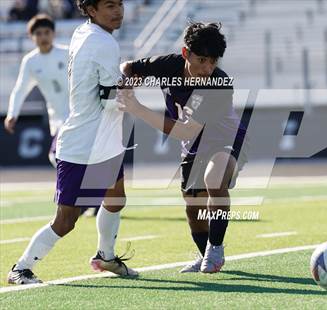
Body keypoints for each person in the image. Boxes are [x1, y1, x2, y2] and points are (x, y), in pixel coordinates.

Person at [7, 0, 137, 285]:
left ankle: (106, 255)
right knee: (66, 220)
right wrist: (131, 84)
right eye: (109, 5)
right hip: (83, 143)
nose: (118, 11)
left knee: (115, 196)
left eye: (120, 4)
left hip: (100, 139)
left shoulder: (84, 32)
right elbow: (110, 99)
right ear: (91, 10)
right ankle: (21, 267)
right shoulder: (103, 43)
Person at [119, 22, 247, 273]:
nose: (208, 68)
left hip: (225, 137)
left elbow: (185, 129)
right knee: (193, 209)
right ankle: (205, 256)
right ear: (186, 53)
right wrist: (127, 82)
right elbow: (127, 67)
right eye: (202, 60)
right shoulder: (166, 64)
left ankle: (216, 249)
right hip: (193, 144)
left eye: (213, 62)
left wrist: (138, 109)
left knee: (214, 178)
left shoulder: (218, 82)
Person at [4, 14, 69, 167]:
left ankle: (75, 187)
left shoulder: (67, 53)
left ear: (53, 33)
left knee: (57, 155)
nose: (43, 37)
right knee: (61, 157)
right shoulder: (31, 62)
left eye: (47, 32)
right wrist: (12, 114)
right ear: (31, 37)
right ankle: (75, 188)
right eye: (38, 33)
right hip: (58, 117)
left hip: (79, 113)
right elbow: (20, 89)